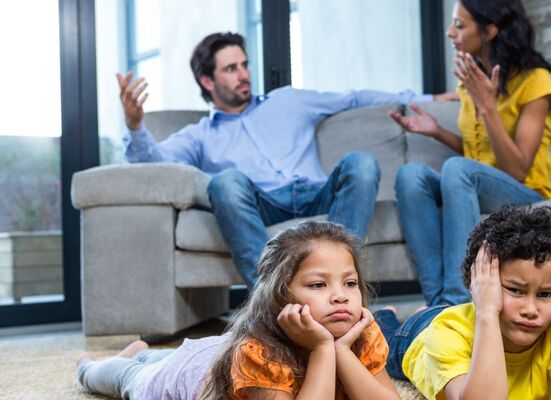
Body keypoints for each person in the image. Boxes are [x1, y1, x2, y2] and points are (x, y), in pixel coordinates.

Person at [118, 31, 447, 287]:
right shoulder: (200, 135)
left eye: (245, 65)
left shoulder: (288, 100)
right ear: (208, 81)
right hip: (264, 205)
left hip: (316, 195)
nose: (244, 74)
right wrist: (135, 125)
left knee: (360, 163)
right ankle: (272, 296)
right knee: (225, 182)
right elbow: (153, 163)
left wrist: (427, 100)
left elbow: (356, 98)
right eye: (231, 69)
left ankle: (336, 275)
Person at [76, 221, 400, 400]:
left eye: (349, 283)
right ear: (279, 296)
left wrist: (340, 350)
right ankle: (94, 364)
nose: (340, 297)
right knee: (131, 377)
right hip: (190, 374)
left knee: (176, 354)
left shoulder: (357, 333)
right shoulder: (260, 353)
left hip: (218, 351)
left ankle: (145, 353)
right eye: (318, 285)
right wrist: (320, 348)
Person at [389, 0, 551, 307]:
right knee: (411, 175)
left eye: (460, 24)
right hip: (481, 185)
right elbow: (477, 158)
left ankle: (461, 302)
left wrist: (488, 107)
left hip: (528, 194)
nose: (449, 32)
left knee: (456, 169)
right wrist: (437, 131)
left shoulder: (536, 81)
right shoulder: (471, 80)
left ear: (490, 30)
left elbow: (517, 168)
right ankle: (439, 305)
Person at [373, 205, 551, 400]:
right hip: (418, 334)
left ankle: (427, 309)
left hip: (465, 316)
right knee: (381, 337)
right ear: (480, 285)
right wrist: (487, 312)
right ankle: (387, 313)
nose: (530, 310)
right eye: (515, 290)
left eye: (546, 294)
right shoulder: (445, 334)